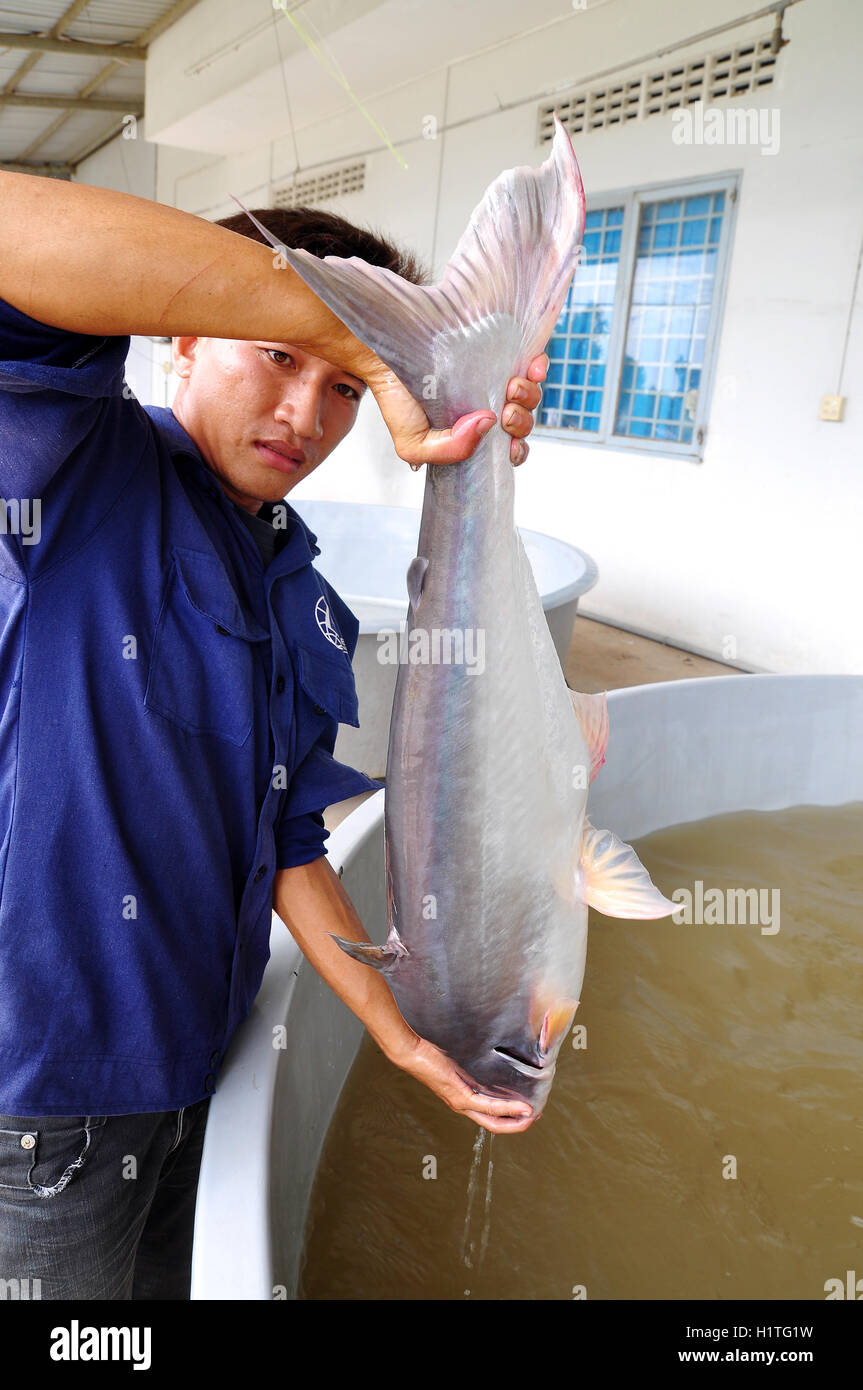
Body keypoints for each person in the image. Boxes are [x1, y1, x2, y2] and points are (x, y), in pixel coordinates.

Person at [0, 177, 548, 1299]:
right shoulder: (64, 463)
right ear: (182, 342)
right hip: (40, 1108)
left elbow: (288, 834)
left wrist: (393, 1030)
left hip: (194, 1069)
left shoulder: (298, 581)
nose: (307, 414)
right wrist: (355, 327)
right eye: (279, 356)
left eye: (349, 387)